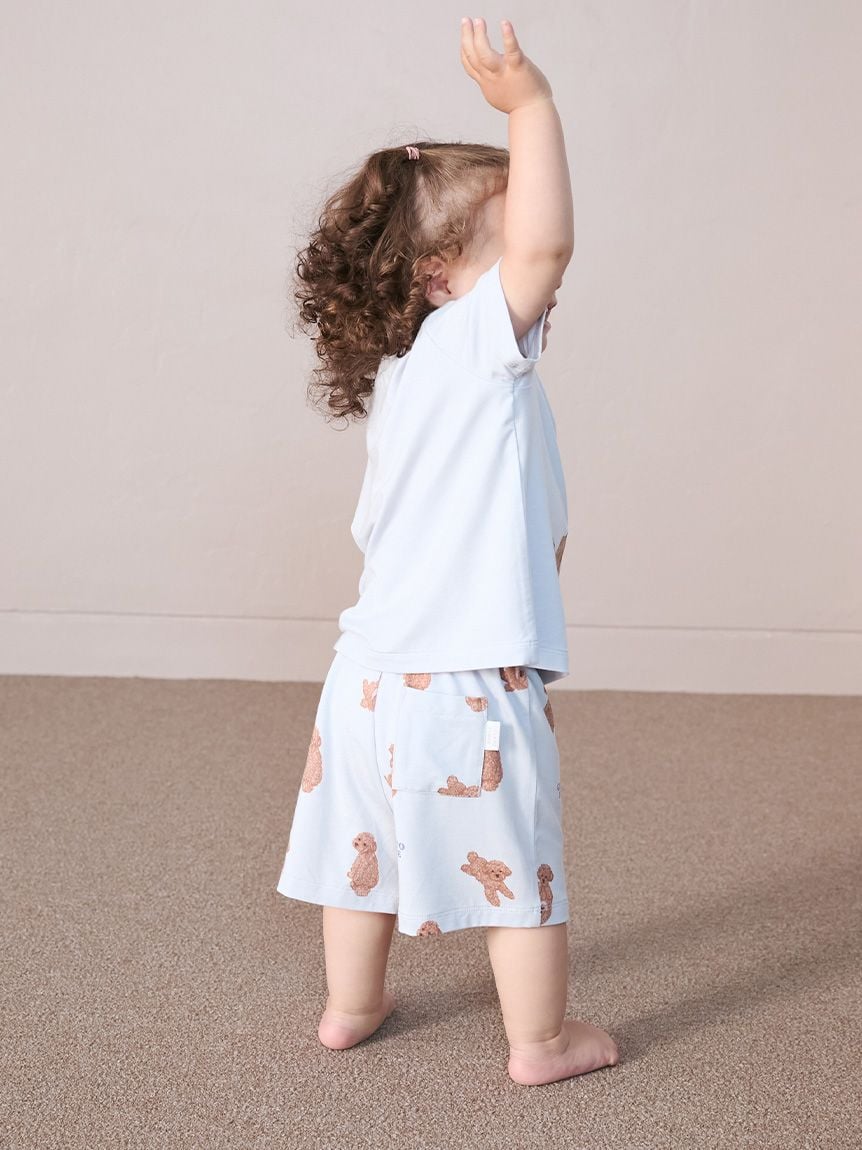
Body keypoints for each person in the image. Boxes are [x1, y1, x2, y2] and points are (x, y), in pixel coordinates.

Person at [276, 15, 619, 1086]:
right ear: (439, 275)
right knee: (521, 869)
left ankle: (351, 1004)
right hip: (466, 683)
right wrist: (531, 107)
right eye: (506, 241)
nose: (532, 265)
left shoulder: (408, 375)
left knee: (360, 854)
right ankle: (540, 1042)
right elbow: (548, 248)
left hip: (366, 678)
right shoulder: (477, 345)